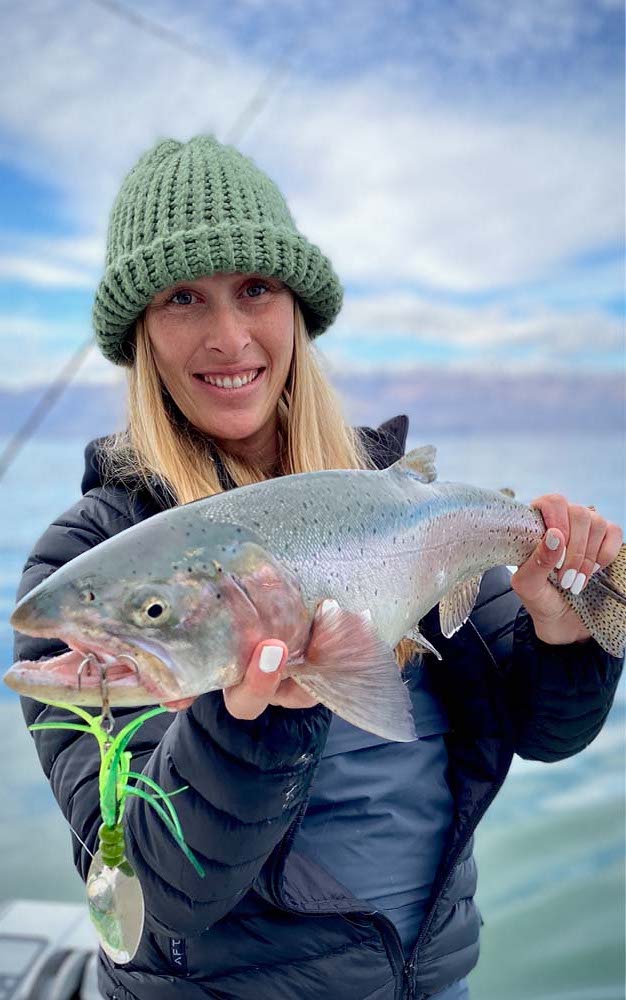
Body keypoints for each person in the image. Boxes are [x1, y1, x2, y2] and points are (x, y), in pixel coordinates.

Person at [13, 134, 623, 1000]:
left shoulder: (406, 502)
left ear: (298, 308)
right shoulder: (88, 562)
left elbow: (547, 734)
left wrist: (569, 631)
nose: (228, 336)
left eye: (255, 289)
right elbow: (161, 887)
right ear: (141, 334)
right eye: (183, 297)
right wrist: (255, 721)